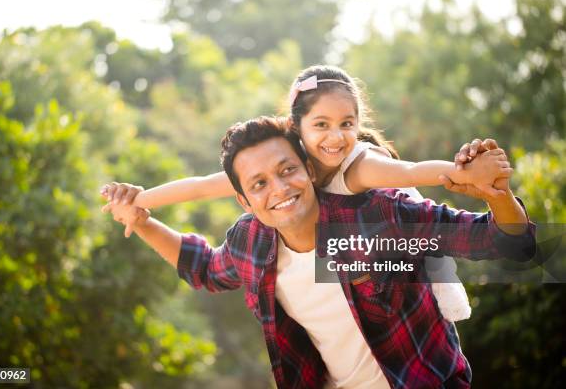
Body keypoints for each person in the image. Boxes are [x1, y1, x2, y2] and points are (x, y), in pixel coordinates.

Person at [101, 117, 535, 388]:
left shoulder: (380, 217)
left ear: (308, 169)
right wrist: (143, 221)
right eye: (258, 184)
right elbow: (203, 268)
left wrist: (496, 195)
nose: (279, 190)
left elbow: (508, 242)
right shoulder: (250, 242)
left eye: (287, 170)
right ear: (244, 201)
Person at [101, 65, 513, 322]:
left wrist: (464, 174)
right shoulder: (281, 165)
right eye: (322, 125)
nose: (337, 137)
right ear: (296, 126)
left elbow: (410, 172)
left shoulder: (361, 164)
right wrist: (139, 201)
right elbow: (200, 187)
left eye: (347, 123)